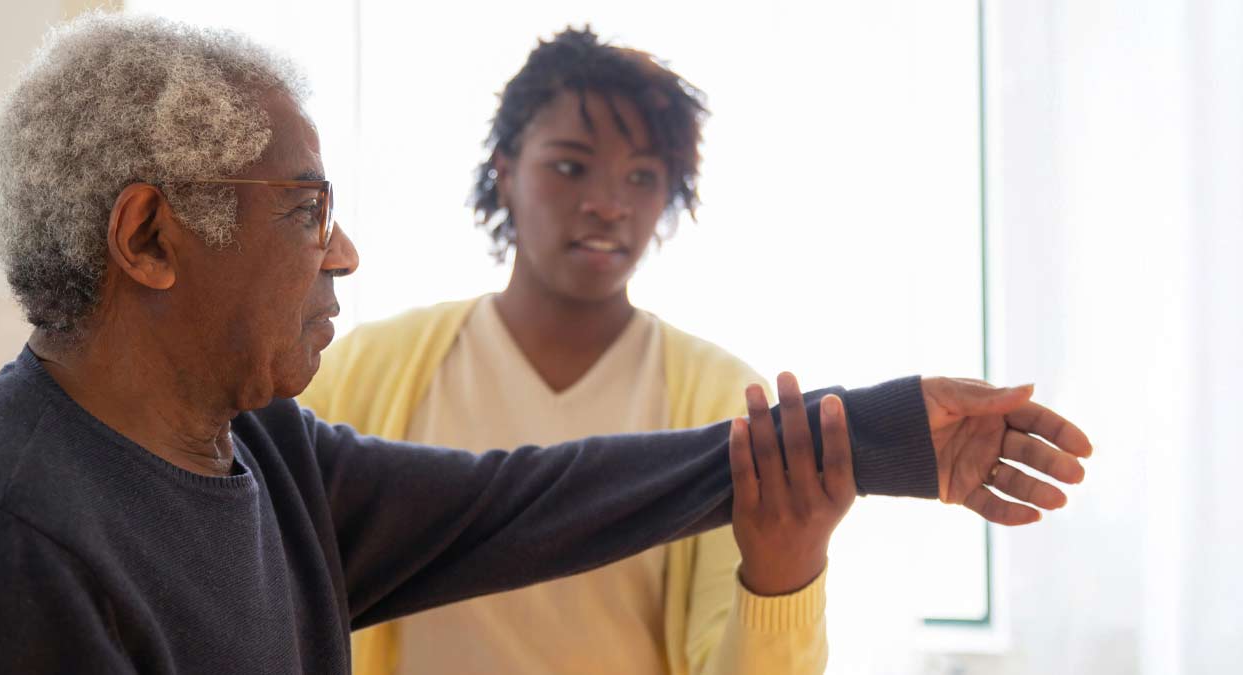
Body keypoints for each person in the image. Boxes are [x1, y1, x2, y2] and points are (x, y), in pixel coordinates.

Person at [0, 13, 1092, 674]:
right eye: (305, 207)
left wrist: (880, 438)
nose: (343, 251)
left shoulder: (265, 450)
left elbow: (528, 502)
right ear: (150, 237)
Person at [299, 27, 1000, 675]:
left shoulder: (726, 403)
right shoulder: (366, 370)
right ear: (505, 171)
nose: (609, 203)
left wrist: (785, 570)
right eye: (571, 167)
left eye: (641, 177)